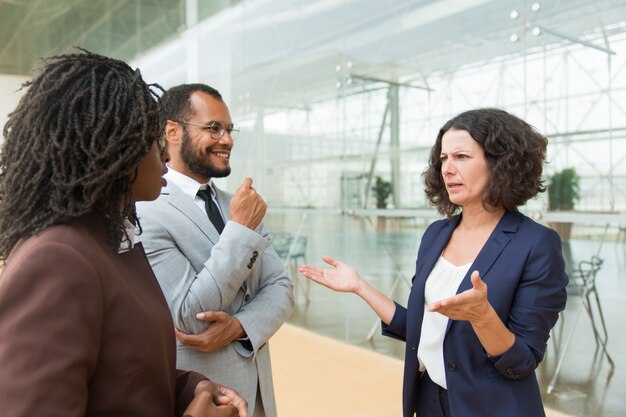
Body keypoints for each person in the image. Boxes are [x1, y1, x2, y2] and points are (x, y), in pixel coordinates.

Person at [0, 51, 247, 417]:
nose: (164, 155)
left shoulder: (117, 241)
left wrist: (192, 388)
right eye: (151, 141)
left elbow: (126, 373)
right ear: (111, 147)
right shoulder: (56, 258)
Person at [300, 108, 569, 417]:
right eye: (443, 158)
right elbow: (420, 326)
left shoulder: (536, 244)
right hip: (429, 401)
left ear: (500, 163)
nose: (448, 169)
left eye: (462, 157)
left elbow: (521, 362)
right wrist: (360, 287)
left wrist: (483, 317)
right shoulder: (437, 234)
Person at [136, 83, 294, 417]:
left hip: (260, 399)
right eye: (213, 128)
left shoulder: (235, 203)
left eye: (229, 129)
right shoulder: (148, 210)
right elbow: (191, 318)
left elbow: (281, 288)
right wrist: (238, 230)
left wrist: (238, 327)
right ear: (172, 131)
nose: (227, 139)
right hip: (206, 401)